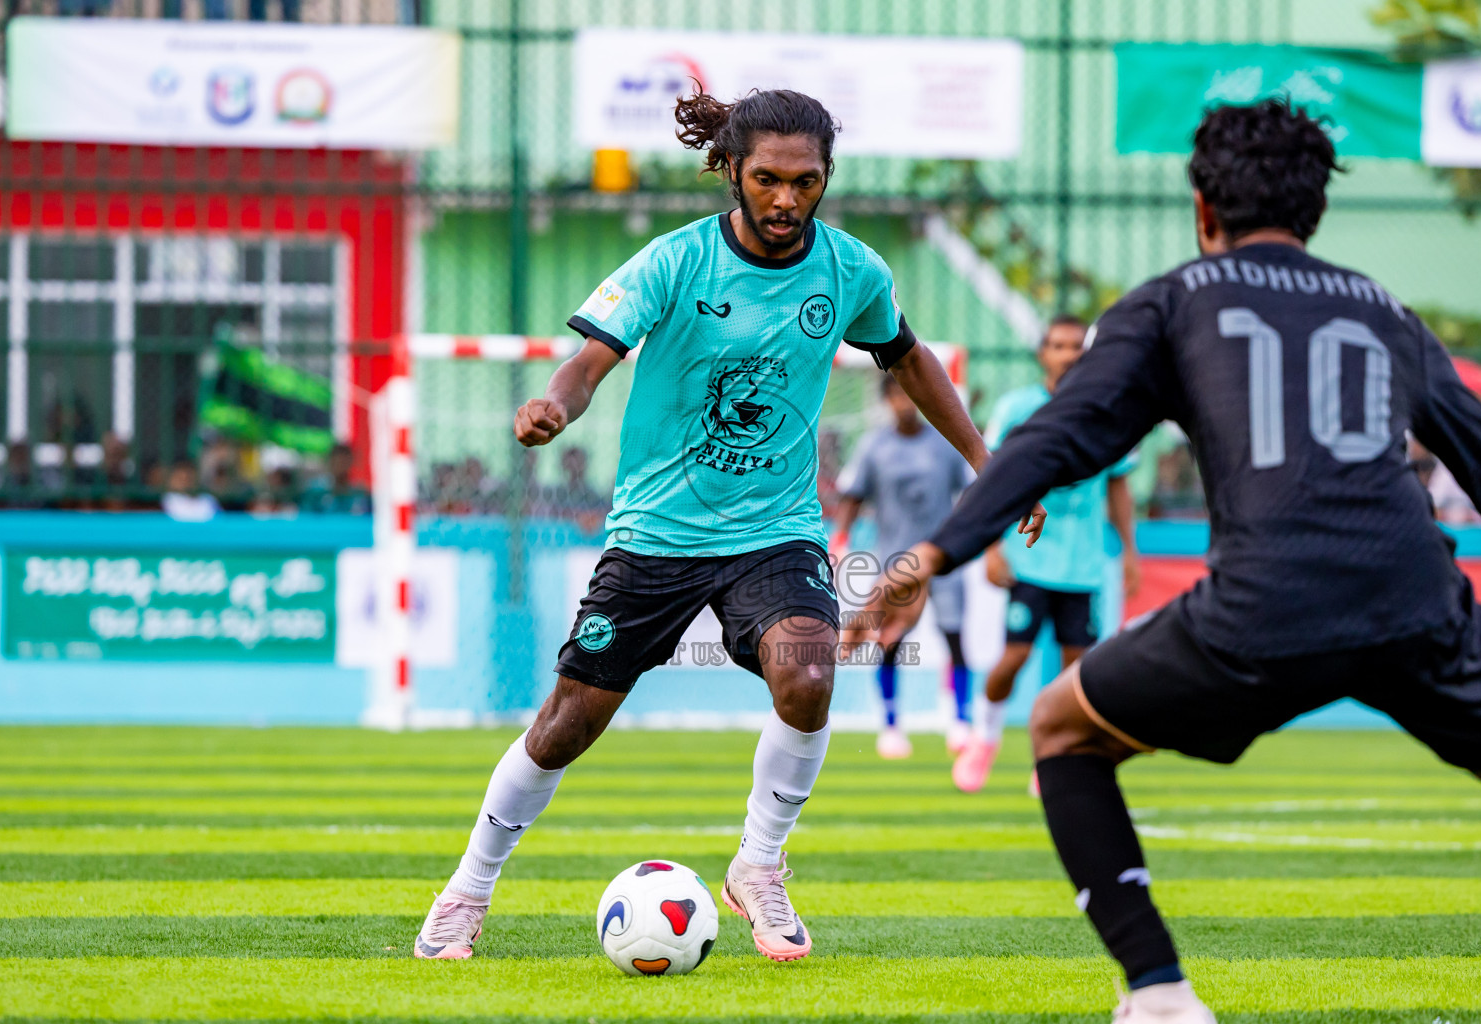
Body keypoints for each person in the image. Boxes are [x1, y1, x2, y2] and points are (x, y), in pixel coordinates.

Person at [845, 99, 1481, 1023]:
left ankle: (1160, 993)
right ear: (1314, 212)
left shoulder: (1174, 302)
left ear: (1203, 208)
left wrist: (936, 550)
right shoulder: (1387, 312)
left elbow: (1060, 438)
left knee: (1062, 732)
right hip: (1415, 598)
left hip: (1265, 607)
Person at [412, 87, 1043, 964]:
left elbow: (907, 356)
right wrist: (554, 406)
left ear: (826, 178)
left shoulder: (852, 270)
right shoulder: (674, 264)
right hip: (657, 533)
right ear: (732, 173)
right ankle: (466, 890)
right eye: (768, 179)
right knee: (567, 723)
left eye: (806, 181)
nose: (787, 200)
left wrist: (989, 457)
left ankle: (760, 864)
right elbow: (589, 360)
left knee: (809, 673)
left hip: (775, 528)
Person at [954, 315, 1140, 793]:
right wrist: (992, 547)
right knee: (1013, 658)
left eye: (1076, 346)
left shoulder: (1107, 409)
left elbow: (1119, 484)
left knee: (1074, 672)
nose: (1067, 354)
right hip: (1029, 556)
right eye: (1058, 345)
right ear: (1042, 353)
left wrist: (1129, 554)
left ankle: (1053, 759)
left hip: (1083, 564)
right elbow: (994, 477)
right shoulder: (1019, 408)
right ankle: (984, 738)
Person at [831, 375, 975, 759]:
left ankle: (961, 720)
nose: (904, 403)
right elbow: (852, 496)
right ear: (886, 401)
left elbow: (971, 490)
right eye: (896, 395)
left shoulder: (945, 441)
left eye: (909, 394)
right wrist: (841, 540)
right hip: (893, 562)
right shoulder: (873, 445)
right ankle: (891, 724)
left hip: (942, 561)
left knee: (955, 637)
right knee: (890, 641)